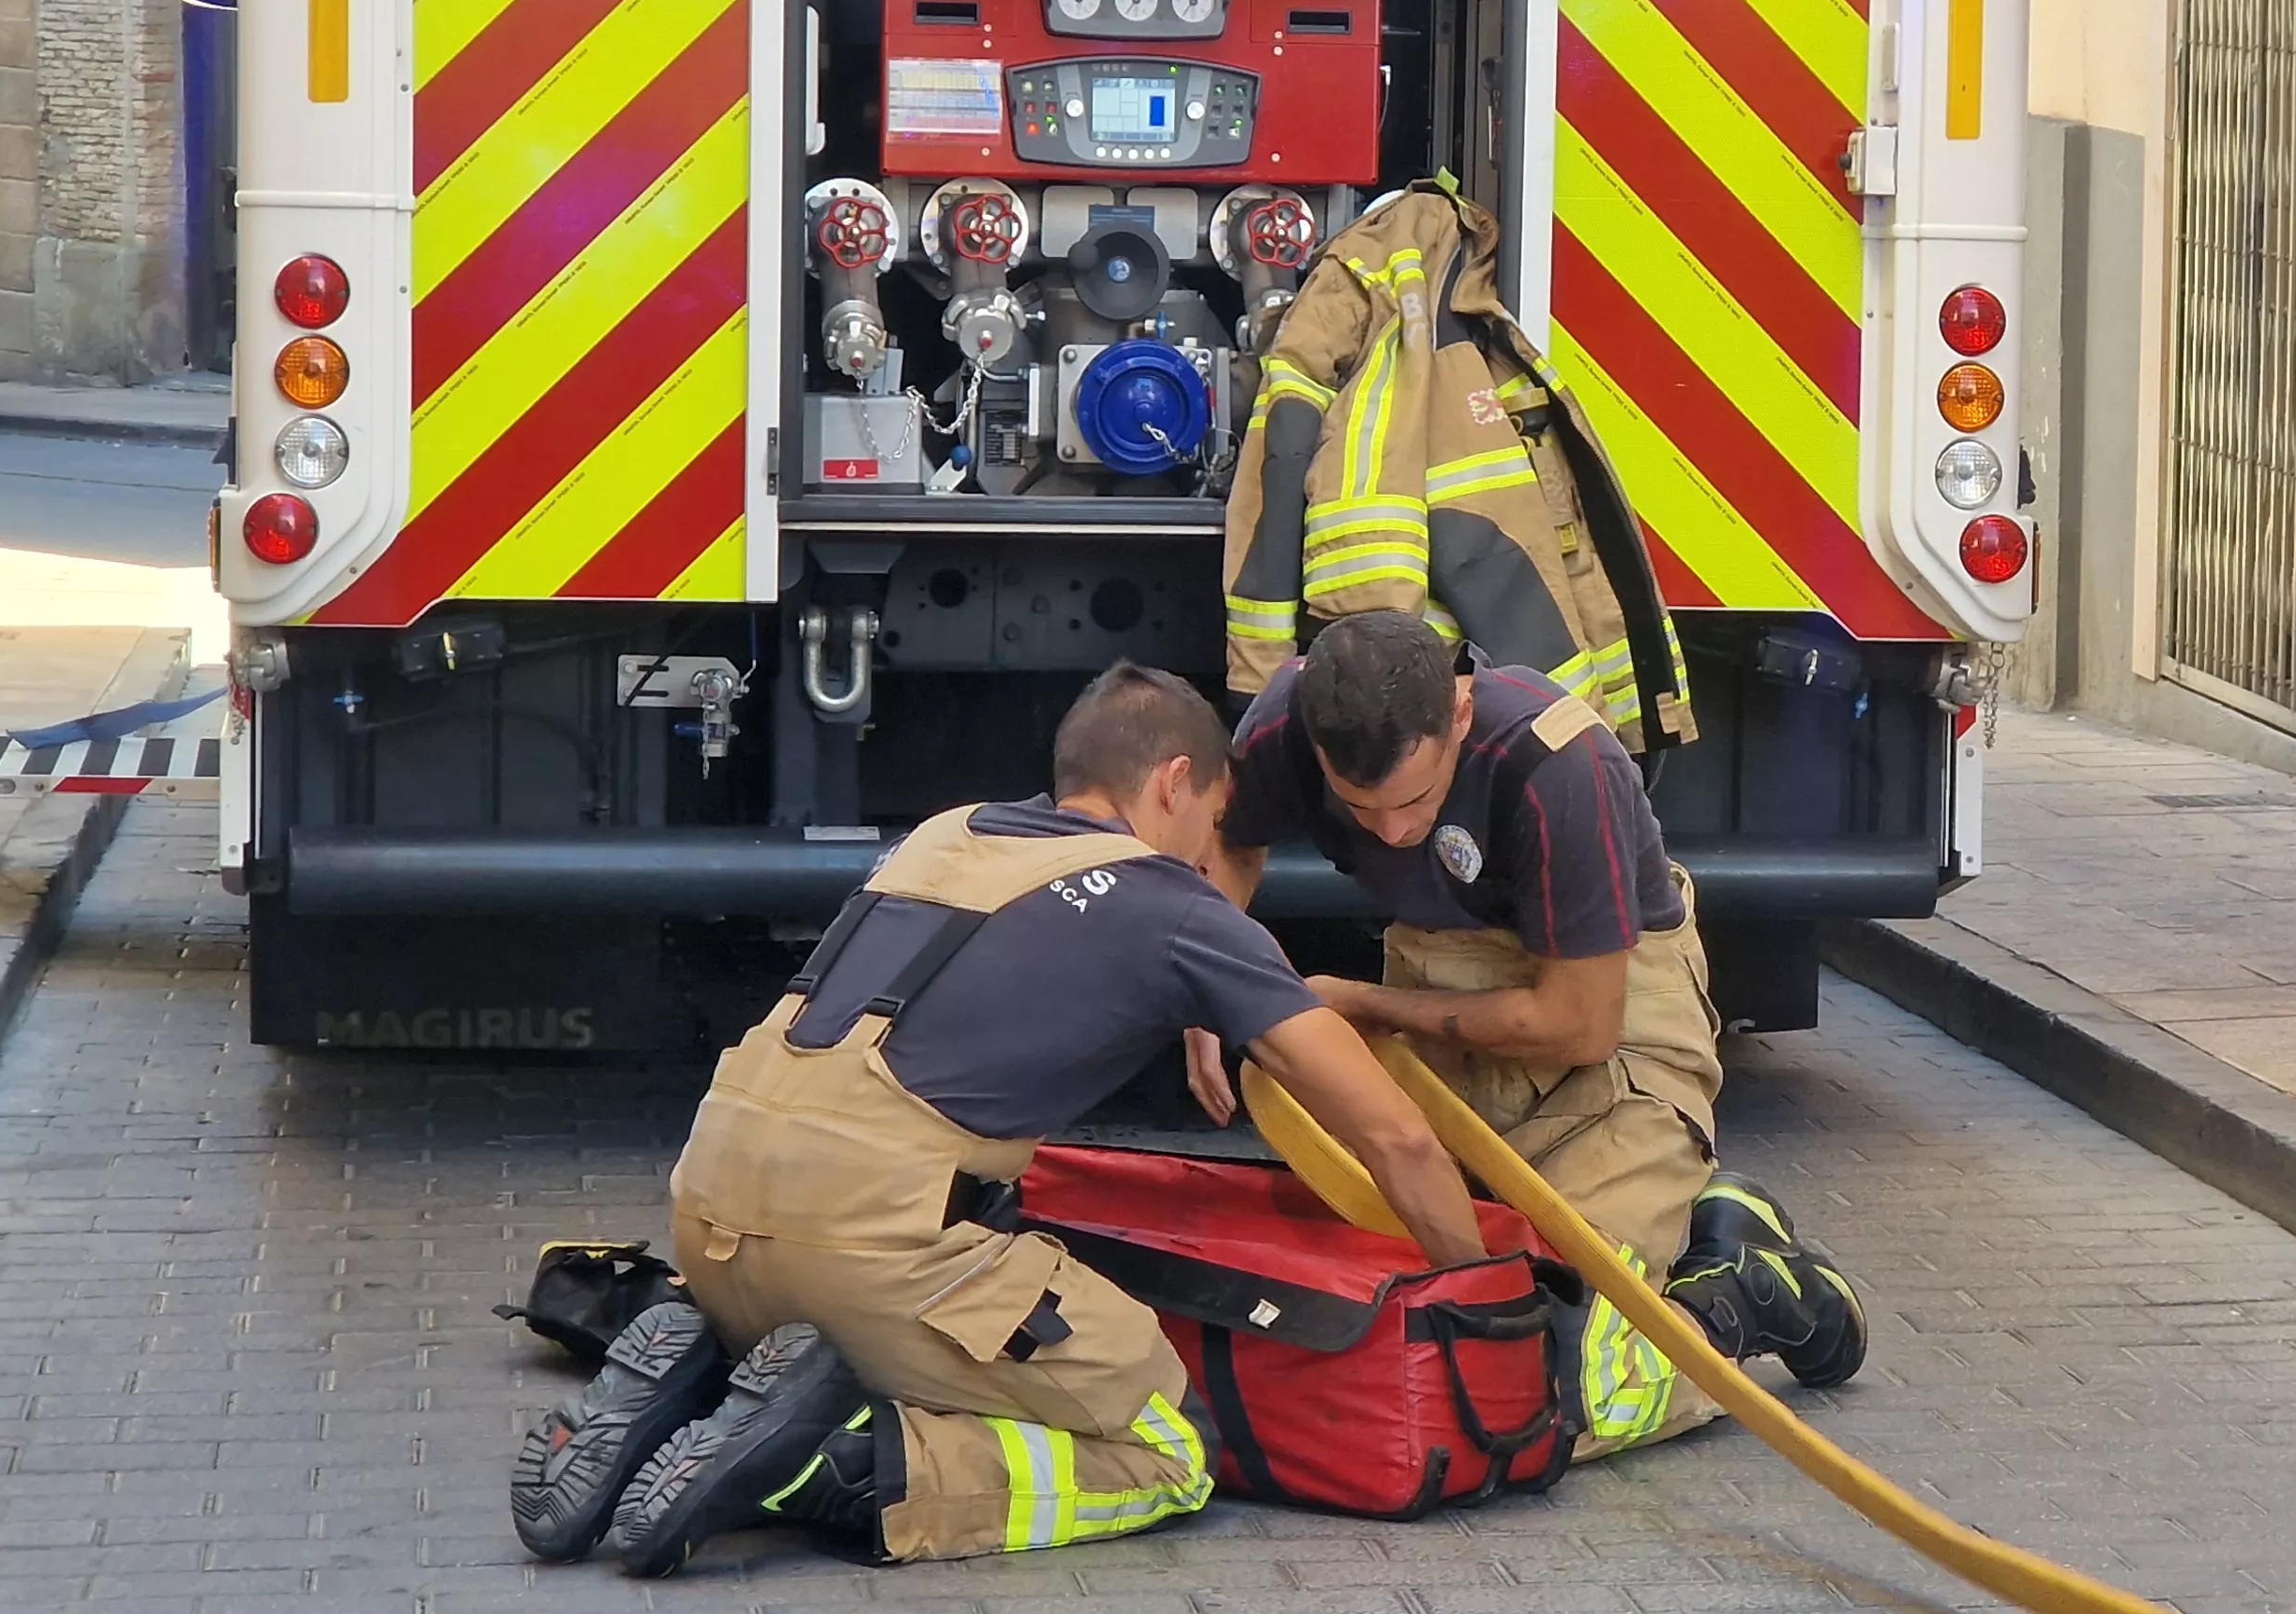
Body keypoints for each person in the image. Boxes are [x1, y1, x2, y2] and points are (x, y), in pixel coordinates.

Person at [508, 663, 1490, 1576]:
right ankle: (842, 1461)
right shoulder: (1179, 908)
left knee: (894, 1313)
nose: (1213, 852)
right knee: (1166, 1450)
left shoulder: (946, 832)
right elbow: (1392, 1133)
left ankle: (700, 1358)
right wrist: (1475, 1288)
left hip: (707, 1217)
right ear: (1175, 782)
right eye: (1216, 817)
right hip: (869, 1250)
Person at [1205, 609, 1866, 1456]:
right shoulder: (1298, 716)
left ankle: (1749, 1287)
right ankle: (1685, 1229)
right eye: (1358, 807)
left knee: (1544, 1391)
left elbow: (1576, 1026)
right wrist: (1216, 985)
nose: (1394, 832)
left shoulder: (1560, 764)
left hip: (1606, 1034)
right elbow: (1231, 840)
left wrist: (1360, 1006)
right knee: (1416, 1337)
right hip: (1447, 1022)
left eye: (1414, 800)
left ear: (1462, 709)